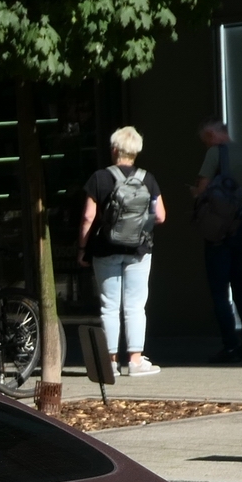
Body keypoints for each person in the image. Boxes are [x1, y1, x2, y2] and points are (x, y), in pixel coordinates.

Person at [78, 126, 166, 376]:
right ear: (136, 151)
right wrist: (140, 227)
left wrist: (82, 248)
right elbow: (160, 215)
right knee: (136, 306)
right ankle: (136, 361)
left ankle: (111, 363)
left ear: (114, 150)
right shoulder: (148, 178)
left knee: (109, 306)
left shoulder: (99, 178)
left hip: (105, 249)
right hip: (139, 250)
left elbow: (87, 216)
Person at [192, 121, 242, 362]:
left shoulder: (215, 153)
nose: (206, 145)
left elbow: (202, 189)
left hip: (219, 229)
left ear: (212, 135)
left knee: (220, 291)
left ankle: (230, 346)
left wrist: (196, 195)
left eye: (205, 140)